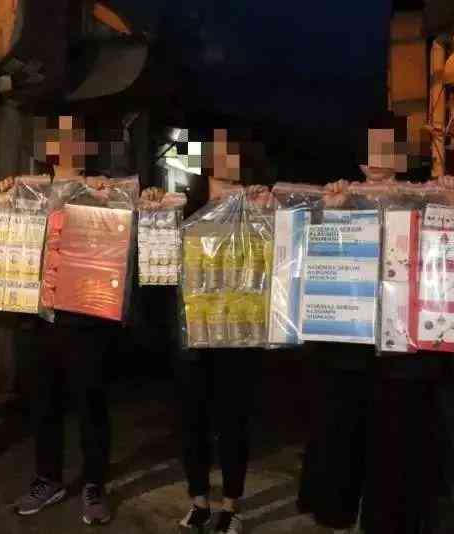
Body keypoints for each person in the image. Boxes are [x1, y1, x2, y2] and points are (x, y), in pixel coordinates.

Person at [297, 126, 454, 532]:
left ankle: (386, 522)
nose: (378, 156)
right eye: (371, 149)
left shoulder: (424, 198)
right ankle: (337, 515)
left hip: (404, 348)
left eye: (388, 148)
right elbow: (307, 254)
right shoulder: (338, 196)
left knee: (397, 441)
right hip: (346, 344)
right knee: (340, 433)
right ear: (360, 160)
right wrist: (330, 209)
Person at [0, 115, 117, 525]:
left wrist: (135, 198)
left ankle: (95, 484)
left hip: (85, 316)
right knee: (43, 402)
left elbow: (134, 227)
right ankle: (47, 479)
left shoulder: (104, 191)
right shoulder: (28, 190)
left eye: (76, 137)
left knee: (90, 403)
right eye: (60, 137)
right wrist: (1, 194)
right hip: (35, 315)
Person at [177, 129, 269, 534]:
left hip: (239, 332)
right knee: (192, 420)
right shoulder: (185, 209)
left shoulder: (258, 206)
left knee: (233, 421)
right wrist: (151, 204)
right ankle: (198, 500)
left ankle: (231, 505)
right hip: (193, 332)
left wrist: (269, 206)